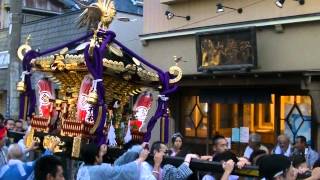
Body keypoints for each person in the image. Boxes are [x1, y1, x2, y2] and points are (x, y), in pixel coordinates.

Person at [76, 142, 149, 180]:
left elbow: (115, 166)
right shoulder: (98, 170)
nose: (102, 154)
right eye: (100, 153)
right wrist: (141, 159)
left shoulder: (83, 166)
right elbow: (121, 171)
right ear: (96, 158)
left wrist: (137, 148)